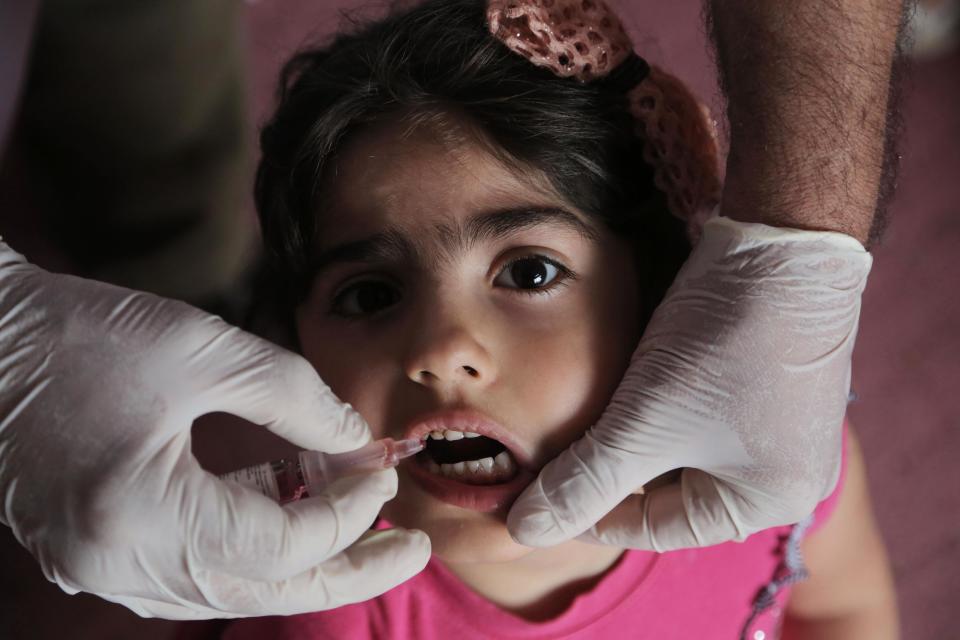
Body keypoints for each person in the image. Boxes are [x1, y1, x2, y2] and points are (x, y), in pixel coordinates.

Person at [0, 0, 904, 621]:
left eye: (530, 273)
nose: (440, 349)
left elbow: (845, 609)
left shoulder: (782, 457)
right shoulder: (341, 617)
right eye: (370, 295)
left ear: (672, 297)